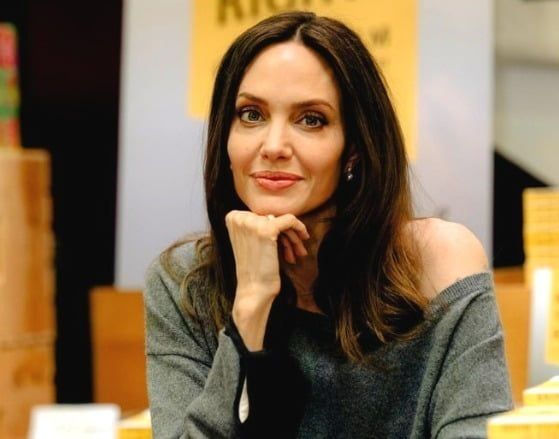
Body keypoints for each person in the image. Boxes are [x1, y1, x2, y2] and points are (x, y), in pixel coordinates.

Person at [144, 11, 512, 438]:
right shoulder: (184, 284)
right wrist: (249, 312)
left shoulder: (440, 264)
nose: (274, 146)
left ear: (354, 148)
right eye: (251, 114)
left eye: (311, 120)